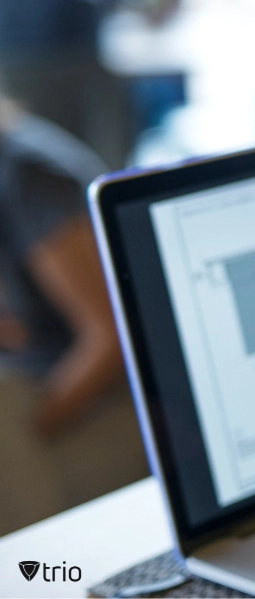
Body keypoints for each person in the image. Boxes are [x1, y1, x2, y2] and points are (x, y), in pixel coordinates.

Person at [0, 99, 147, 535]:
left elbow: (110, 337)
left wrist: (31, 428)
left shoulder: (28, 174)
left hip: (105, 401)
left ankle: (37, 579)